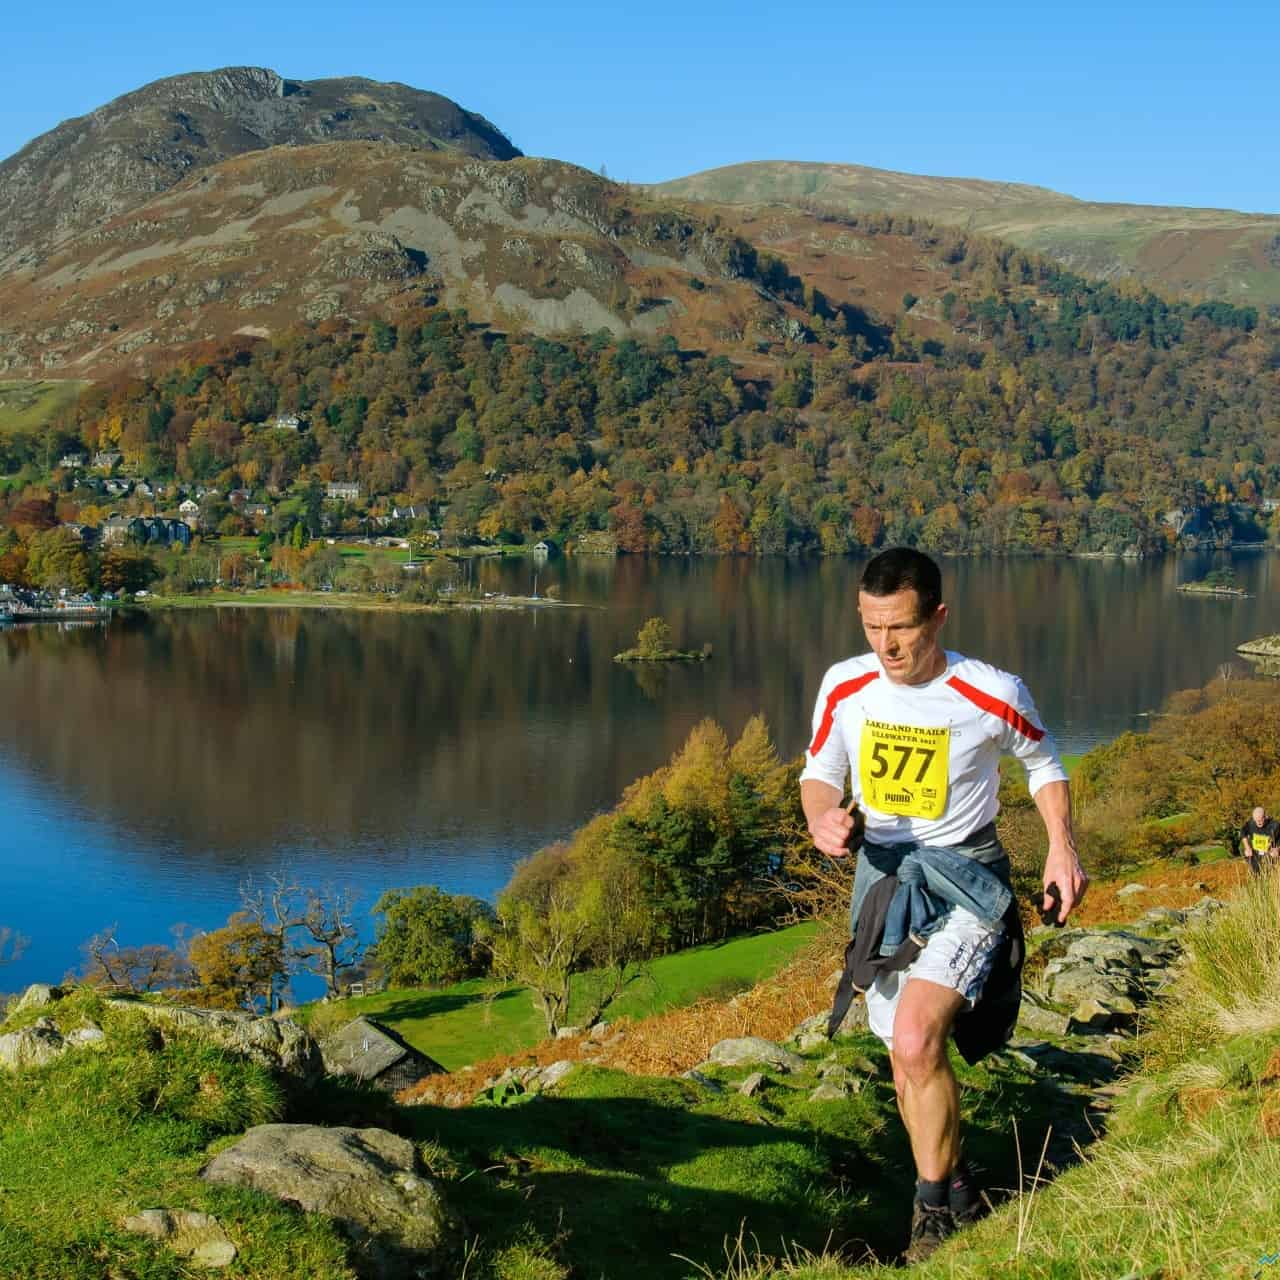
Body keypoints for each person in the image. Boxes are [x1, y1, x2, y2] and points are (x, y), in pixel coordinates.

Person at [799, 547, 1087, 1261]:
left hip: (967, 883)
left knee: (916, 1039)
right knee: (907, 1060)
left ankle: (929, 1214)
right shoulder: (846, 685)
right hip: (885, 885)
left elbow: (1043, 763)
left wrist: (1061, 846)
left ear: (938, 616)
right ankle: (957, 1184)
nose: (886, 645)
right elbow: (818, 771)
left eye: (900, 627)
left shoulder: (991, 691)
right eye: (870, 626)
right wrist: (821, 817)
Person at [1239, 806, 1279, 876]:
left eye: (1260, 820)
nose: (1258, 822)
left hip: (1270, 855)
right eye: (1256, 820)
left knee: (1269, 874)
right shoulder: (1251, 823)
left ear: (1265, 817)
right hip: (1256, 854)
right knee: (1256, 874)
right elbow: (1243, 832)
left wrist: (1278, 849)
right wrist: (1247, 847)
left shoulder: (1275, 825)